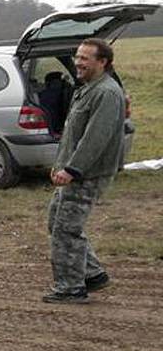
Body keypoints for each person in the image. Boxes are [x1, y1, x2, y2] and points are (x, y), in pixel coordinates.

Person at [43, 38, 126, 304]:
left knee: (66, 227)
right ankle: (92, 274)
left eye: (85, 58)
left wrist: (73, 169)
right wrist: (60, 165)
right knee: (56, 219)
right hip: (74, 170)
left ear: (103, 62)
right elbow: (73, 134)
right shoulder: (88, 89)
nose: (78, 62)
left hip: (87, 174)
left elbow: (95, 138)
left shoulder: (106, 93)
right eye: (78, 57)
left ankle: (71, 287)